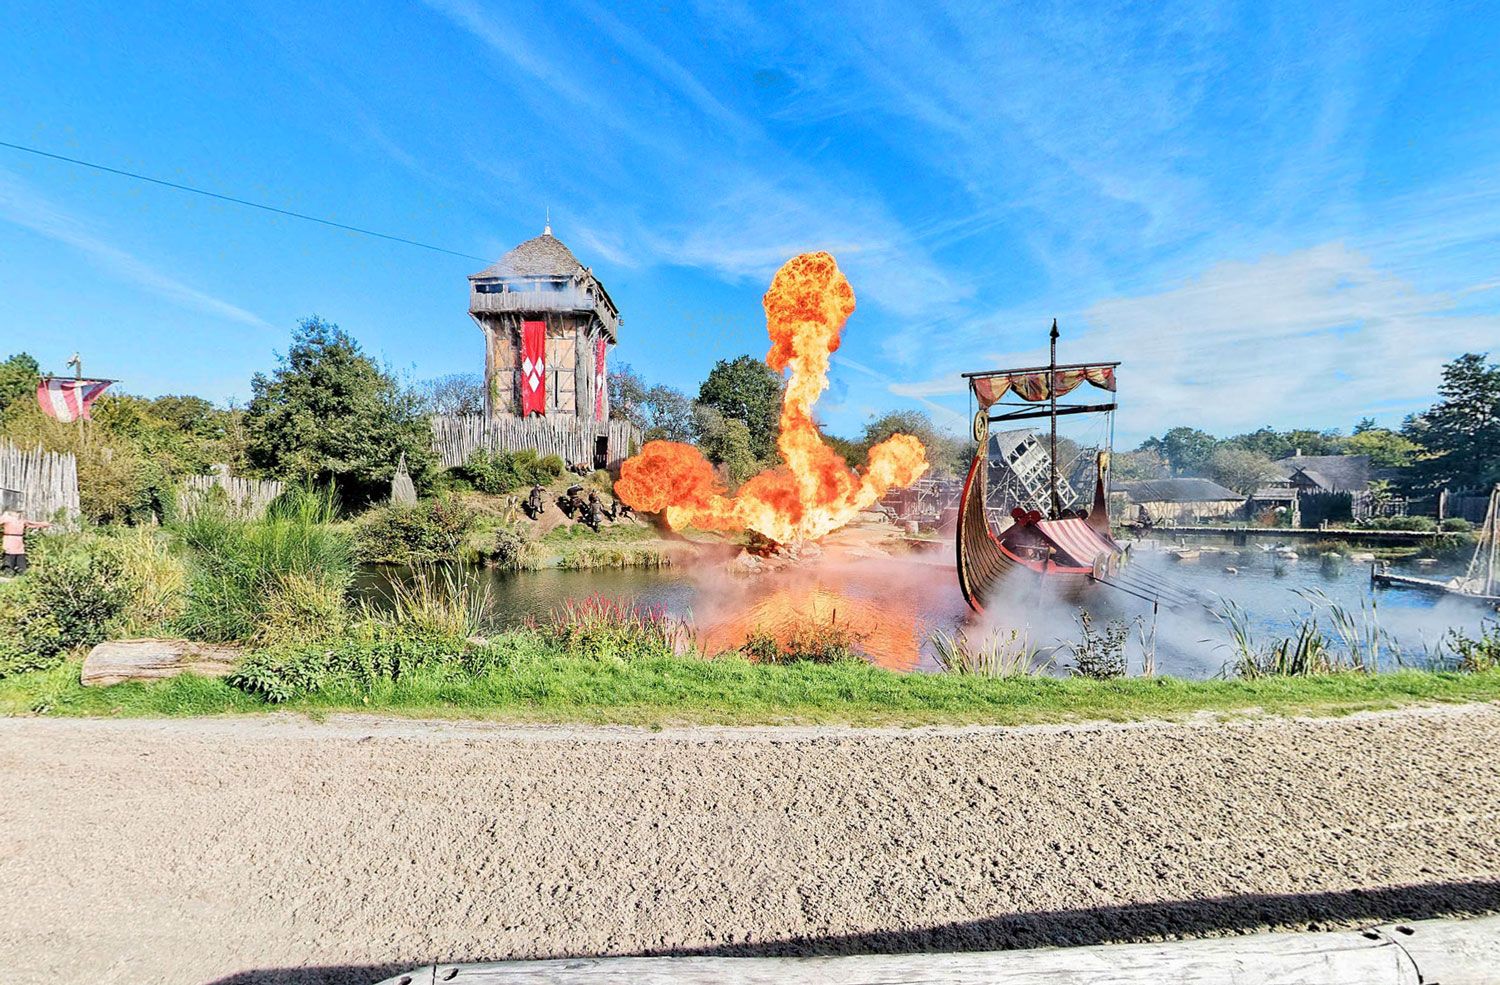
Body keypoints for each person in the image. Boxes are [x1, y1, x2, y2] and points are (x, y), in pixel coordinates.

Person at [1, 510, 50, 577]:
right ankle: (8, 572)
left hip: (19, 541)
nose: (18, 514)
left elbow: (31, 524)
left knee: (20, 557)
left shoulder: (21, 520)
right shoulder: (6, 518)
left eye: (19, 513)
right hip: (9, 539)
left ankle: (22, 571)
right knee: (9, 555)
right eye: (16, 513)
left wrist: (43, 524)